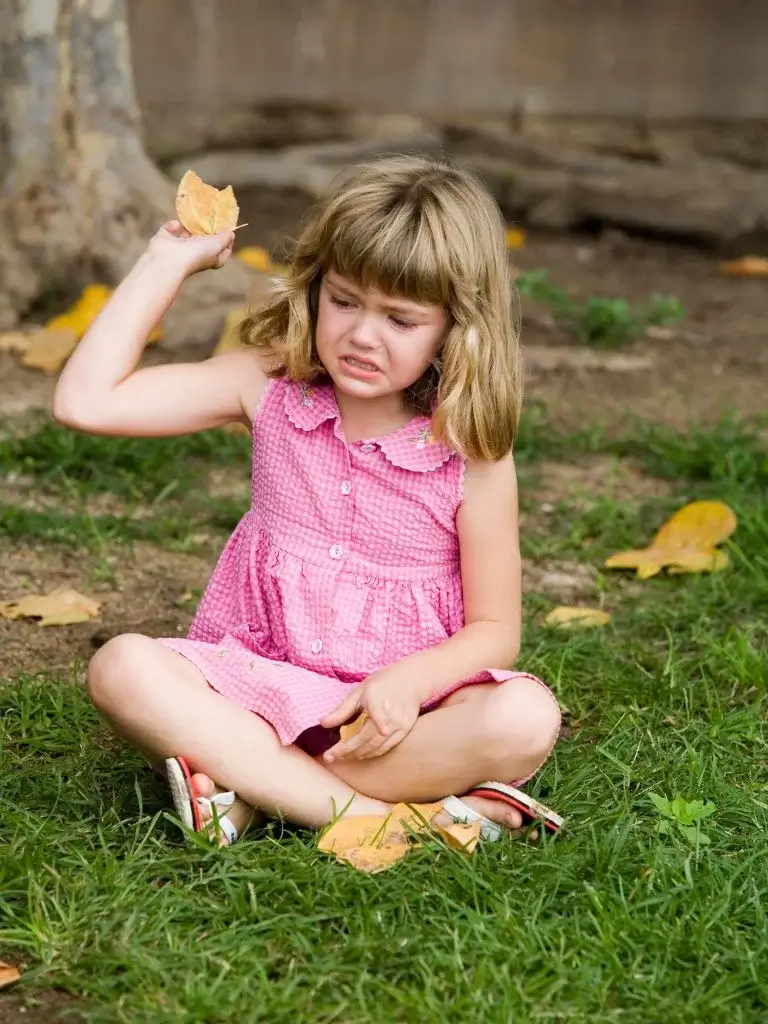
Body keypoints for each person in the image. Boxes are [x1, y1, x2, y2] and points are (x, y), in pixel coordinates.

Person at [53, 156, 562, 847]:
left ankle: (256, 788)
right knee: (121, 669)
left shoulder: (469, 452)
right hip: (257, 692)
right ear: (315, 288)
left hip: (395, 719)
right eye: (345, 301)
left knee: (525, 716)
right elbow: (85, 402)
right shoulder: (266, 387)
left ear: (454, 327)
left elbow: (496, 629)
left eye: (401, 319)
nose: (361, 335)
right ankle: (393, 821)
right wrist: (164, 261)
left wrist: (408, 684)